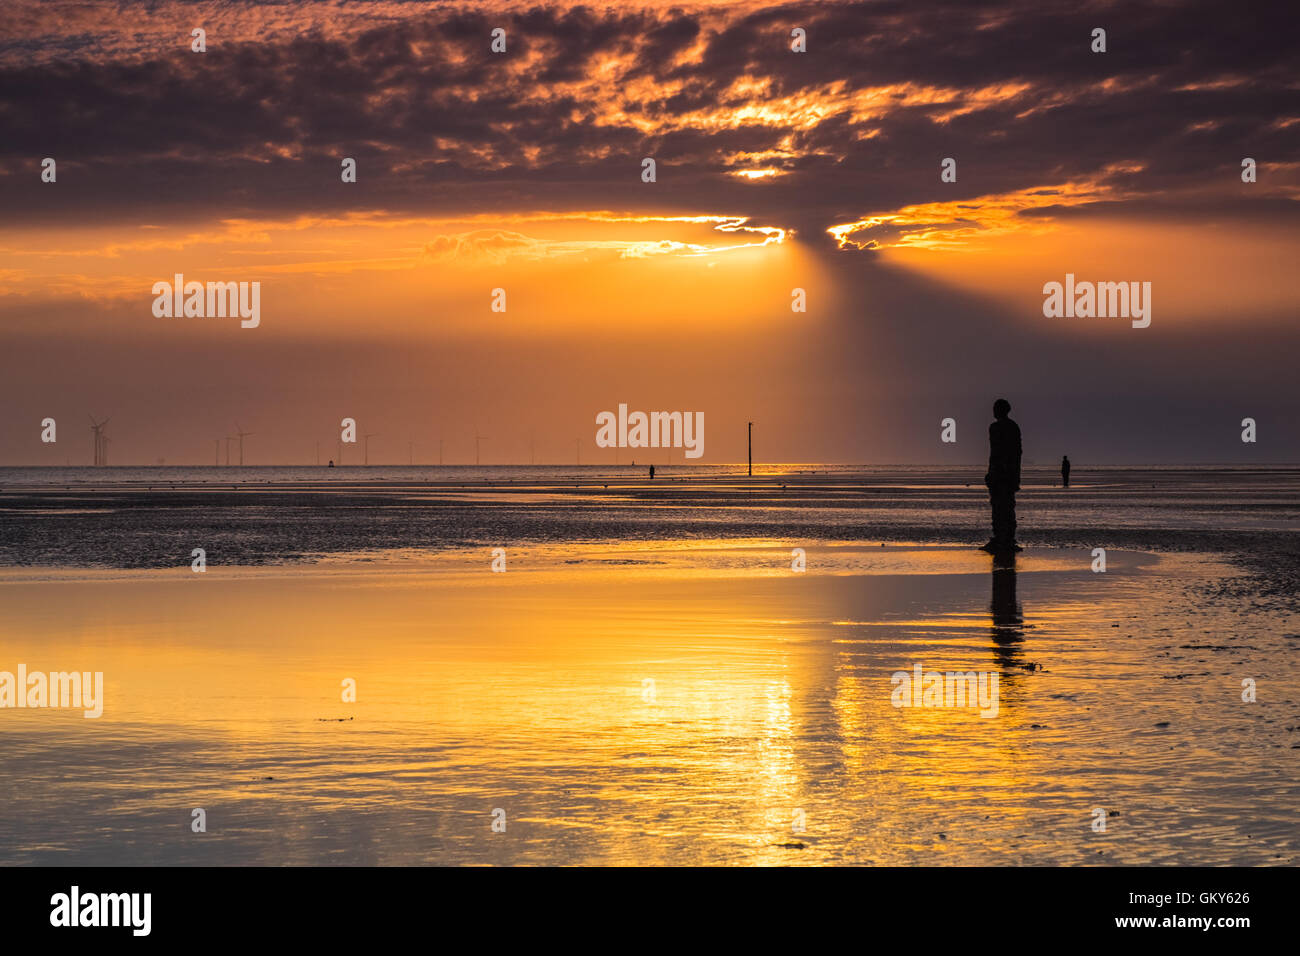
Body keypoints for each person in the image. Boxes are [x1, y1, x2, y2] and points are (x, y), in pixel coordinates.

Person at [981, 398, 1022, 553]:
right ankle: (1007, 539)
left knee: (999, 508)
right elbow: (1018, 452)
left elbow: (996, 453)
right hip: (1010, 474)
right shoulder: (1013, 427)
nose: (993, 410)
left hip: (1000, 475)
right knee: (1008, 507)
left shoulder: (996, 427)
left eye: (995, 408)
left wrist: (993, 473)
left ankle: (1001, 539)